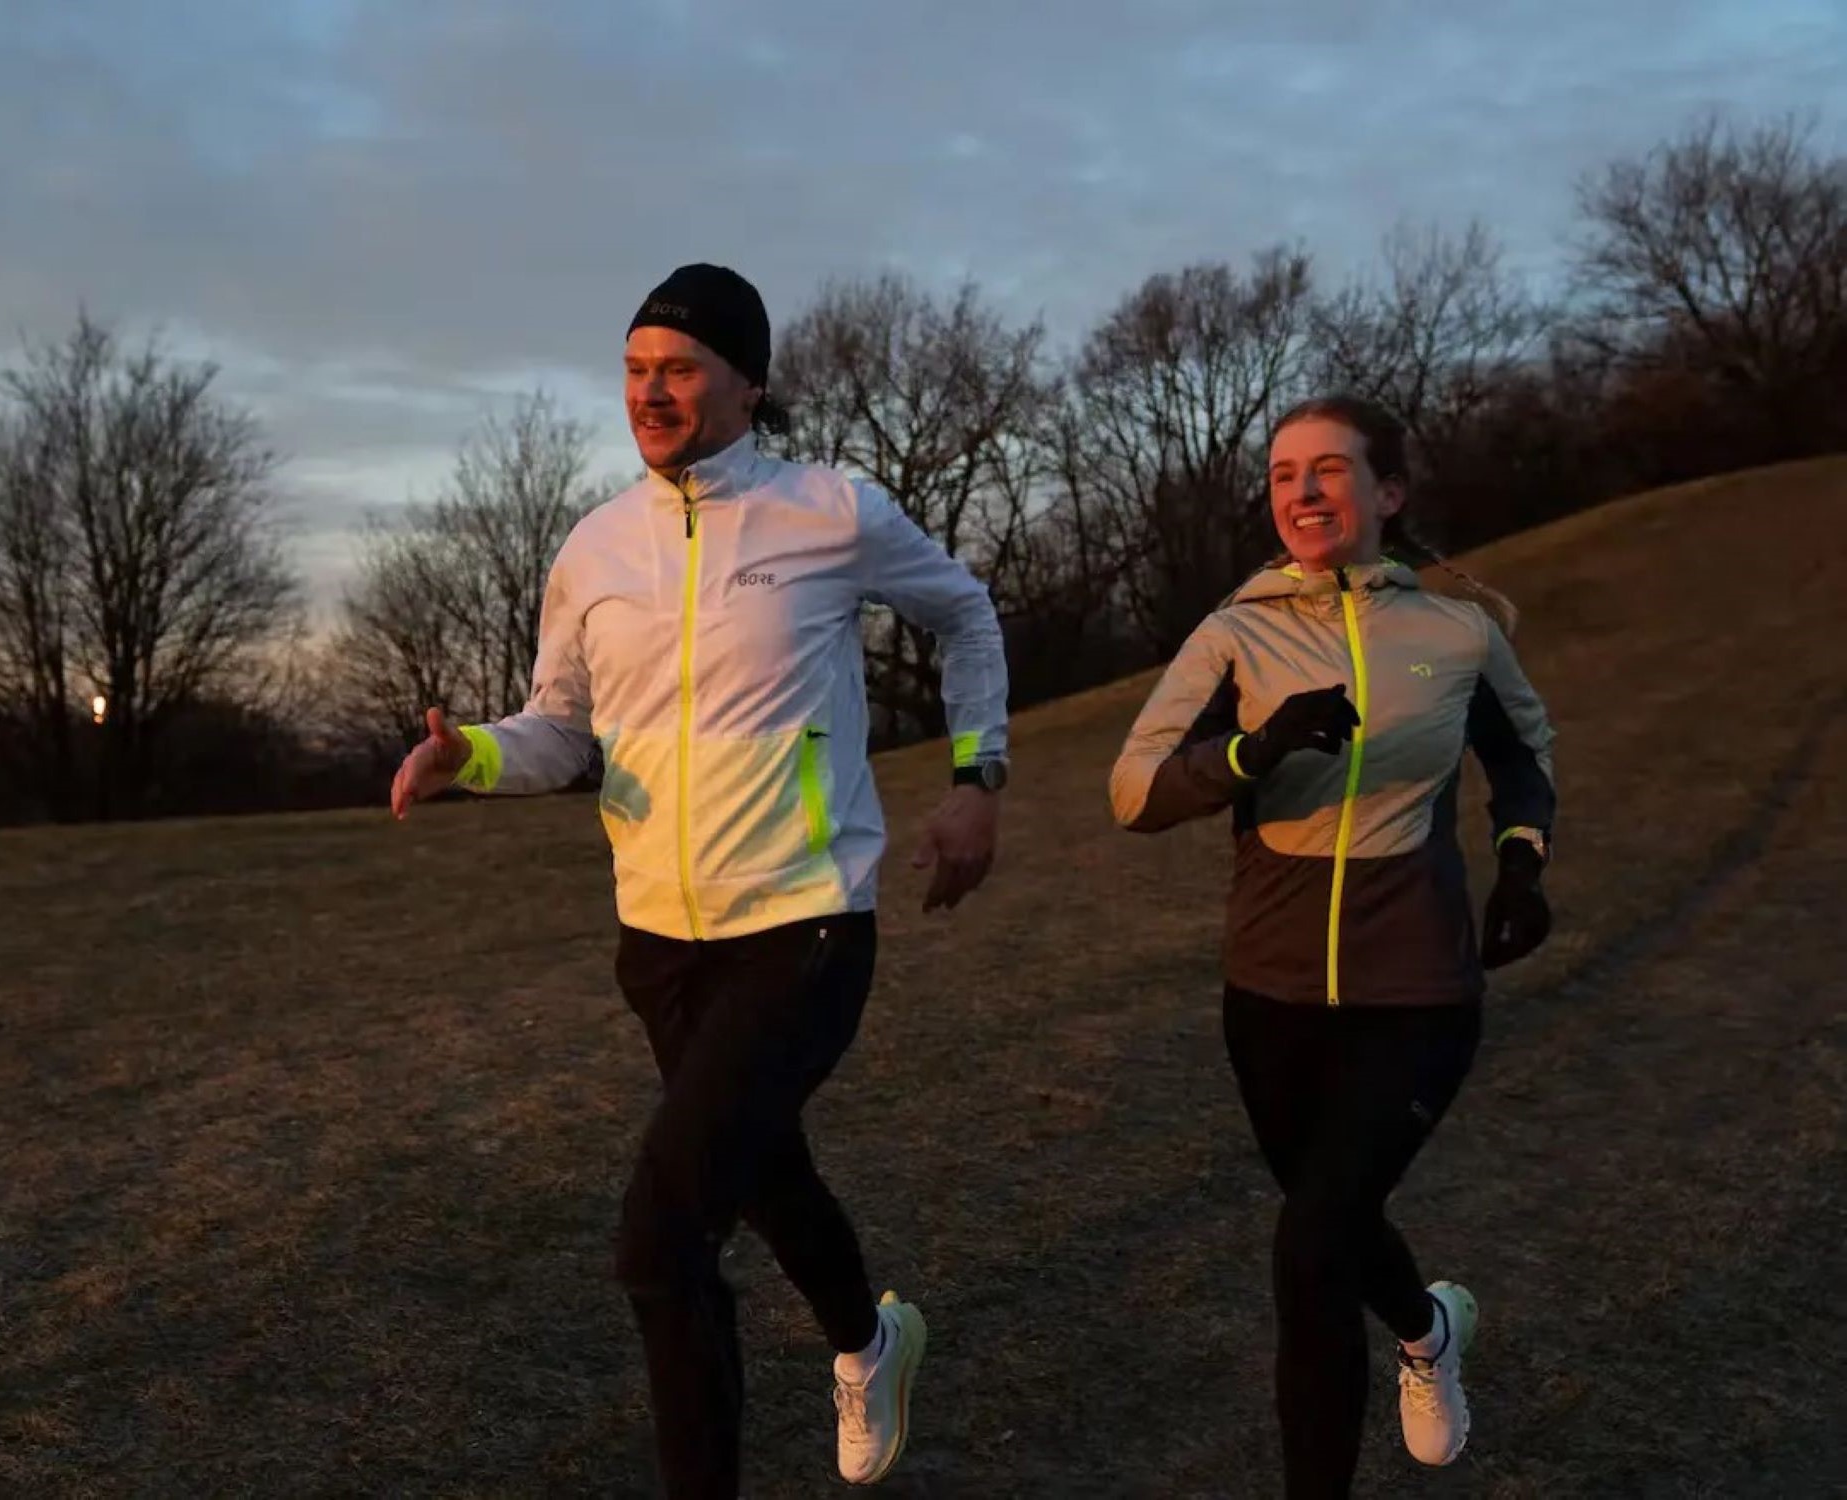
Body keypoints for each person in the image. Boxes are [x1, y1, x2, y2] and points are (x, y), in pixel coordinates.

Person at [390, 263, 1011, 1498]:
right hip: (660, 944)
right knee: (762, 1166)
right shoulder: (594, 548)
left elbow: (967, 615)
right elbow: (562, 730)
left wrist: (976, 775)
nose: (650, 392)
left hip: (804, 921)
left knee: (661, 1240)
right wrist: (473, 757)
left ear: (748, 383)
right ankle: (870, 1341)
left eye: (678, 368)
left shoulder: (829, 511)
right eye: (634, 369)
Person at [1108, 394, 1556, 1497]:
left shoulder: (1457, 633)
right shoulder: (1234, 633)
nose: (1301, 491)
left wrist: (1522, 863)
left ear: (1386, 492)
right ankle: (1427, 1330)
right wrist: (1253, 752)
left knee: (1310, 1248)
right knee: (1335, 1224)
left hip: (1418, 990)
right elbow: (1132, 793)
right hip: (1270, 997)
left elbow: (1522, 759)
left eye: (1328, 469)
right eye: (1282, 474)